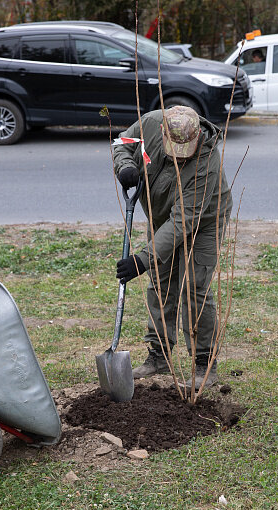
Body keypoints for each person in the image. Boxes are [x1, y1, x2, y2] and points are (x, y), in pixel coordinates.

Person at [112, 105, 232, 390]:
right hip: (162, 214)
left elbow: (183, 222)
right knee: (160, 283)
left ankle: (204, 362)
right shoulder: (151, 123)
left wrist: (142, 259)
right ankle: (160, 355)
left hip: (204, 218)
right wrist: (125, 165)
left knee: (194, 287)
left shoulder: (206, 164)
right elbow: (121, 143)